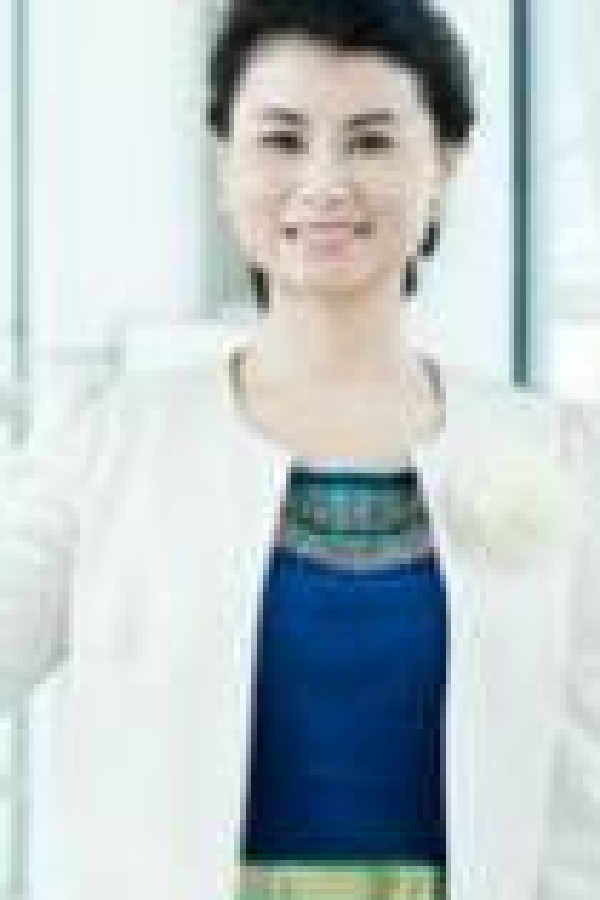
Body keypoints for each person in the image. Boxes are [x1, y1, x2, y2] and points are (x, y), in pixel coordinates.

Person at [0, 0, 599, 898]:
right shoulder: (110, 443)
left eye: (370, 141)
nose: (324, 183)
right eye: (282, 140)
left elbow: (584, 796)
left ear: (444, 165)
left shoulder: (554, 452)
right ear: (226, 165)